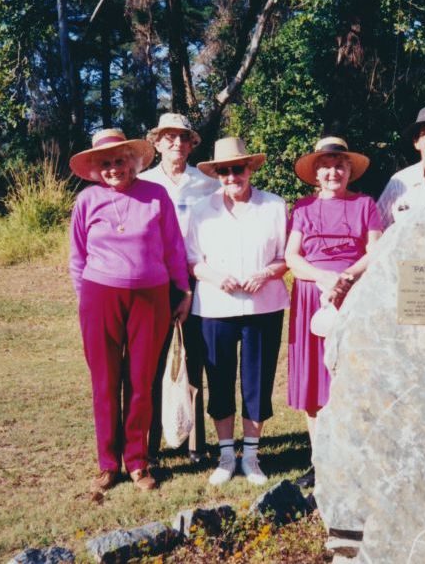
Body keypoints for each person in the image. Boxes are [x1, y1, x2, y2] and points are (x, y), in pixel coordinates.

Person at [68, 128, 191, 494]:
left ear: (133, 162)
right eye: (105, 163)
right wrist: (86, 299)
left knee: (141, 381)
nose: (113, 168)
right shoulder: (87, 201)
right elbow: (77, 257)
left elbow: (173, 249)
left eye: (119, 161)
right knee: (105, 381)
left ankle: (137, 461)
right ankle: (108, 464)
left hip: (151, 297)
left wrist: (182, 291)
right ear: (95, 168)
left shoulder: (156, 196)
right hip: (100, 296)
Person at [185, 137, 290, 486]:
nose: (232, 176)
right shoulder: (201, 209)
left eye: (238, 169)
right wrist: (216, 277)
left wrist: (267, 273)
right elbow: (192, 260)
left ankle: (253, 457)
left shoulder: (274, 206)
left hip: (264, 305)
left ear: (250, 169)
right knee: (219, 379)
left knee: (257, 381)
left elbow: (287, 256)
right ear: (217, 174)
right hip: (216, 307)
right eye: (225, 171)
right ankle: (227, 455)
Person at [285, 136, 382, 488]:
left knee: (353, 376)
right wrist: (323, 276)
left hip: (353, 294)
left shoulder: (365, 205)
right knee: (314, 380)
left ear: (350, 170)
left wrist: (346, 276)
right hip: (313, 295)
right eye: (326, 165)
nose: (333, 171)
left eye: (340, 165)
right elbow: (292, 257)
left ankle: (356, 456)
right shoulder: (303, 208)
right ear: (315, 173)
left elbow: (375, 250)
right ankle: (319, 460)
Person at [141, 113, 219, 465]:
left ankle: (195, 444)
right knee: (154, 364)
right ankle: (151, 446)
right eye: (169, 137)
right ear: (156, 143)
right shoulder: (141, 181)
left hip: (196, 280)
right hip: (154, 281)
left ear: (191, 144)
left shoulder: (207, 184)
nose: (176, 143)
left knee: (194, 360)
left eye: (183, 138)